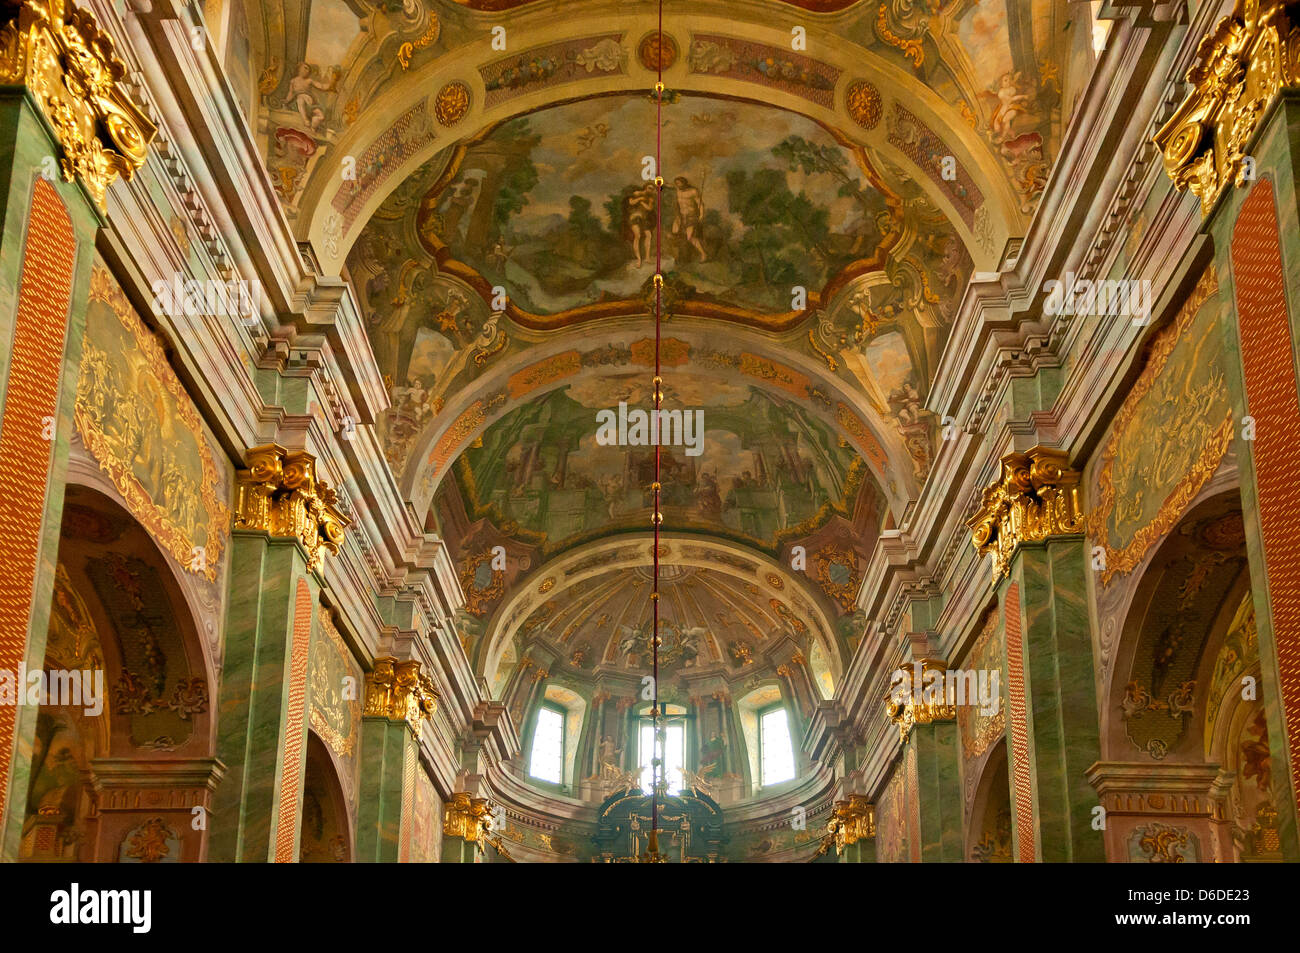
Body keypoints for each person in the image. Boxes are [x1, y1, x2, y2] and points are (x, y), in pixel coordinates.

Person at [671, 176, 707, 262]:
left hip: (691, 216)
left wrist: (701, 214)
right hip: (681, 216)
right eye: (676, 184)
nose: (678, 185)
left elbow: (700, 204)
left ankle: (703, 254)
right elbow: (668, 185)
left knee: (690, 237)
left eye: (679, 183)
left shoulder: (693, 191)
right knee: (674, 232)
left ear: (684, 183)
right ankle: (681, 255)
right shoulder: (677, 190)